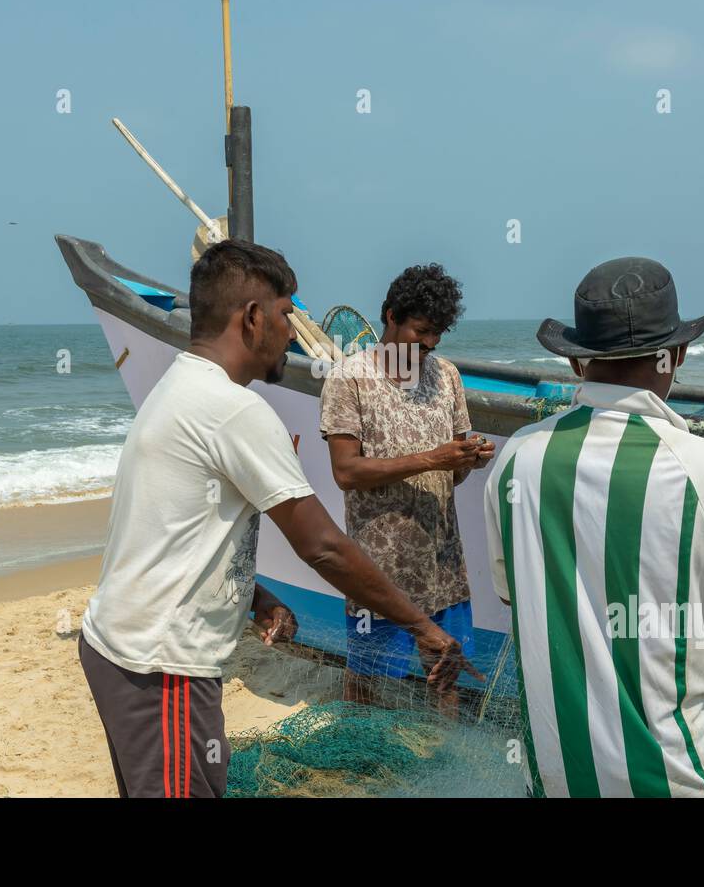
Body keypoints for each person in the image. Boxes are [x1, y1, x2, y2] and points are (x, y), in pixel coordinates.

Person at [79, 239, 477, 798]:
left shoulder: (181, 386)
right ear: (251, 318)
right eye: (288, 315)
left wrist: (254, 597)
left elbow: (174, 533)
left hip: (130, 653)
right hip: (160, 665)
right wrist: (422, 627)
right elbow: (324, 547)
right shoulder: (235, 411)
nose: (294, 333)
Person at [484, 257, 704, 798]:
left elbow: (513, 593)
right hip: (686, 782)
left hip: (558, 781)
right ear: (675, 354)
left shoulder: (518, 458)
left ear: (577, 362)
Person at [320, 263, 494, 716]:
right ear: (390, 315)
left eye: (438, 333)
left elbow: (452, 469)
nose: (431, 343)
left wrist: (467, 459)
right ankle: (353, 762)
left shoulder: (447, 376)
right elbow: (346, 472)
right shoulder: (349, 378)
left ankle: (446, 759)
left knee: (446, 670)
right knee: (367, 678)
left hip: (442, 561)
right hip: (378, 568)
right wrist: (434, 458)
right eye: (421, 331)